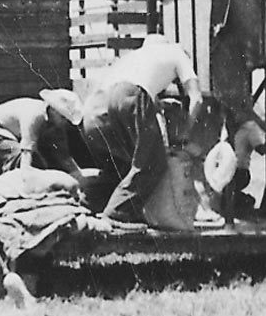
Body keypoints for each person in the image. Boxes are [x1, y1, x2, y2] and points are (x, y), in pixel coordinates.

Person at [80, 35, 204, 223]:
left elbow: (132, 98)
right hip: (128, 95)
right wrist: (184, 134)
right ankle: (117, 215)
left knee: (122, 165)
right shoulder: (177, 52)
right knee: (151, 163)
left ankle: (87, 205)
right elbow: (197, 99)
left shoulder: (134, 58)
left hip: (93, 108)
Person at [0, 89, 87, 184]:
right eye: (63, 118)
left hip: (16, 135)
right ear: (53, 110)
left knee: (42, 164)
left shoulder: (57, 126)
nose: (64, 123)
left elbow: (64, 156)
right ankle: (12, 187)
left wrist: (79, 176)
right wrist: (27, 181)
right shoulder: (34, 115)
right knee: (16, 154)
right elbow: (26, 153)